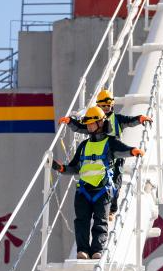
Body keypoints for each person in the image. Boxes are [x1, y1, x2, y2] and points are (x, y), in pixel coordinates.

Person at [52, 106, 144, 260]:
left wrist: (133, 151)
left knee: (100, 222)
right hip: (83, 191)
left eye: (91, 123)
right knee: (81, 222)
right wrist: (62, 169)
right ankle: (82, 250)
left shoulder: (111, 142)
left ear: (101, 123)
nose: (88, 126)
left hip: (102, 191)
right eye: (87, 124)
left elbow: (123, 149)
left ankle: (97, 250)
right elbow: (75, 167)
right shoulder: (84, 145)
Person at [57, 89, 153, 219]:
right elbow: (80, 126)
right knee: (101, 182)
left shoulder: (117, 119)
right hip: (100, 156)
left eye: (108, 105)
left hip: (116, 154)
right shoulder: (94, 121)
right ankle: (99, 208)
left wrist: (140, 119)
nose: (106, 108)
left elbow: (130, 120)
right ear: (98, 106)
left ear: (112, 105)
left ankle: (112, 209)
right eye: (103, 106)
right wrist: (70, 121)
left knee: (116, 182)